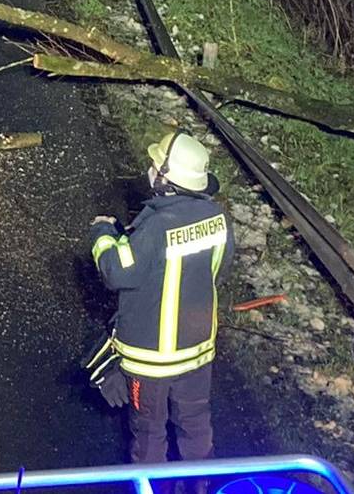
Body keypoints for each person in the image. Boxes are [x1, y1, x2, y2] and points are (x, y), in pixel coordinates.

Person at [88, 131, 233, 464]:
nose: (150, 170)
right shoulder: (218, 219)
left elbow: (116, 272)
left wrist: (103, 234)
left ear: (166, 177)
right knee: (196, 427)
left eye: (155, 165)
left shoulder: (156, 226)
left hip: (150, 362)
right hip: (197, 353)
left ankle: (153, 486)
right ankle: (200, 485)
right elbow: (215, 272)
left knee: (149, 434)